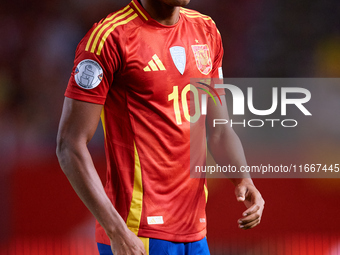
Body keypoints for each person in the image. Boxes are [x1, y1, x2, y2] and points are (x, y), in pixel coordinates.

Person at [56, 0, 265, 254]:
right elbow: (69, 144)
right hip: (136, 234)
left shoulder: (206, 30)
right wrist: (116, 230)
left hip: (196, 234)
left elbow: (219, 129)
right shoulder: (109, 38)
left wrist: (243, 178)